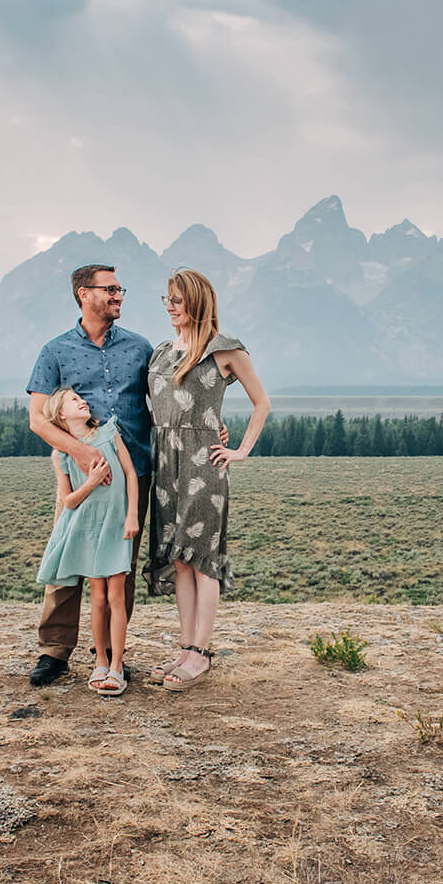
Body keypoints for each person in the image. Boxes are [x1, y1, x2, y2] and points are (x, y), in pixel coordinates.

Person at [26, 265, 153, 686]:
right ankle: (54, 651)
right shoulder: (55, 351)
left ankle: (112, 655)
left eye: (121, 288)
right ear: (84, 293)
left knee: (121, 567)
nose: (119, 295)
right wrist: (80, 454)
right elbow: (38, 420)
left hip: (130, 472)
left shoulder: (140, 348)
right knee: (69, 556)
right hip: (79, 475)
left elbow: (167, 402)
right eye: (111, 289)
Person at [143, 268, 270, 692]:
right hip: (165, 463)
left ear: (197, 301)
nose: (170, 307)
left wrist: (240, 449)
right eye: (166, 300)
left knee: (202, 558)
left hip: (203, 463)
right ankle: (185, 648)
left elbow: (262, 403)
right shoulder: (161, 352)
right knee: (179, 558)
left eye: (177, 300)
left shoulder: (224, 349)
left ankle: (201, 654)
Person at [34, 388, 140, 695]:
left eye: (81, 398)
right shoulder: (61, 454)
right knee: (97, 600)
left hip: (117, 524)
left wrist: (132, 514)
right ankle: (101, 662)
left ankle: (118, 666)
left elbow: (131, 473)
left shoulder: (109, 433)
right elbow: (68, 501)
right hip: (90, 530)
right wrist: (92, 483)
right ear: (60, 415)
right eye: (72, 400)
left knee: (116, 598)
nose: (82, 401)